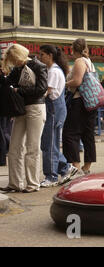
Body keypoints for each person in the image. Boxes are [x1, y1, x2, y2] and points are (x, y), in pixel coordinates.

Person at [0, 44, 47, 193]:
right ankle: (15, 183)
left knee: (32, 147)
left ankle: (32, 184)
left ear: (21, 55)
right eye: (13, 61)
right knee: (14, 148)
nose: (15, 63)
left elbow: (41, 89)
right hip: (21, 109)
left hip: (35, 108)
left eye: (15, 60)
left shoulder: (39, 66)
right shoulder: (18, 69)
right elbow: (7, 84)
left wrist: (19, 90)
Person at [38, 45, 78, 187]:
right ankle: (66, 168)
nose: (40, 57)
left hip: (54, 109)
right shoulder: (52, 70)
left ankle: (51, 176)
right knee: (48, 143)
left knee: (49, 143)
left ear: (50, 55)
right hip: (54, 109)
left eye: (42, 54)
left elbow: (45, 92)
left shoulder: (54, 71)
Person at [63, 38, 97, 175]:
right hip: (91, 102)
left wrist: (64, 84)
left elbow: (77, 81)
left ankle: (75, 166)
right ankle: (86, 167)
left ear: (73, 49)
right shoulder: (90, 62)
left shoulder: (79, 61)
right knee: (88, 134)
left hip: (79, 101)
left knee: (70, 133)